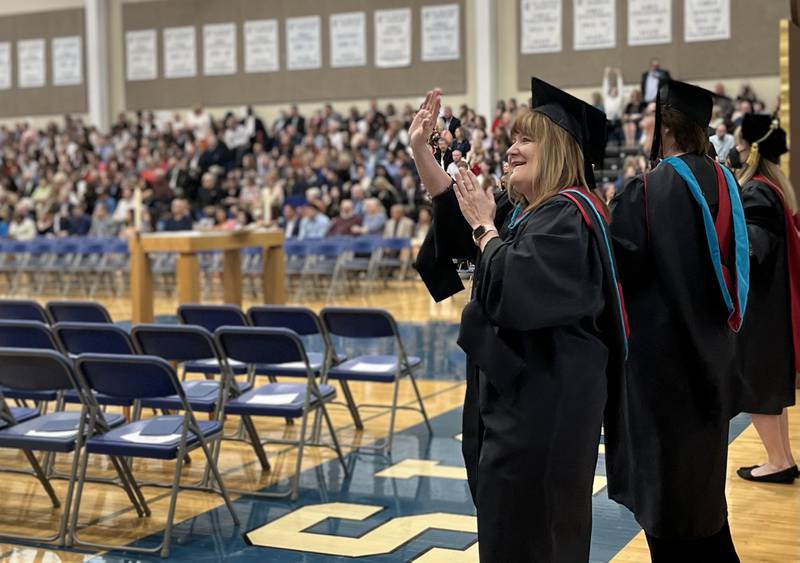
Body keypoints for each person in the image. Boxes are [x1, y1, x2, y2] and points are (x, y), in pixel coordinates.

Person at [413, 81, 628, 562]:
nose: (510, 150)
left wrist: (484, 229)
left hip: (544, 415)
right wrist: (423, 153)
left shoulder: (570, 215)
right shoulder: (527, 210)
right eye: (512, 138)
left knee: (535, 540)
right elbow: (456, 232)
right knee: (508, 531)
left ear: (557, 149)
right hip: (518, 406)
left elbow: (514, 289)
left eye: (525, 139)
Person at [609, 79, 749, 562]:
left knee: (669, 507)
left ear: (665, 128)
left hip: (663, 372)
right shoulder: (726, 180)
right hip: (714, 360)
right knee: (705, 496)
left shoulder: (650, 189)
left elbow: (618, 266)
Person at [733, 113, 799, 484]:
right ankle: (783, 457)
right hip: (776, 305)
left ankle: (776, 460)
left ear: (753, 148)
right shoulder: (775, 187)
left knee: (759, 386)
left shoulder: (755, 190)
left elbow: (754, 249)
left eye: (742, 143)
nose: (737, 149)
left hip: (762, 308)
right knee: (771, 388)